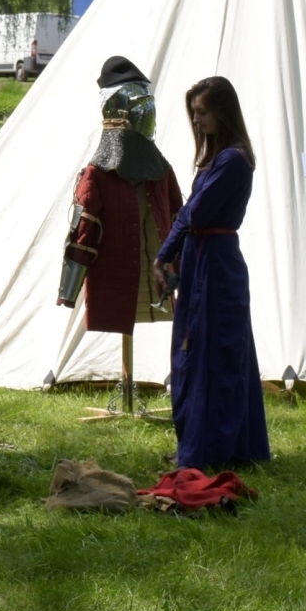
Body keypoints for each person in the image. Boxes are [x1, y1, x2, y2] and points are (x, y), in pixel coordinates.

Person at [154, 76, 269, 470]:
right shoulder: (219, 158)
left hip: (216, 264)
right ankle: (206, 444)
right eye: (194, 113)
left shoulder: (234, 159)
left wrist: (166, 250)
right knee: (196, 352)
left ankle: (211, 448)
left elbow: (196, 212)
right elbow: (192, 212)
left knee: (211, 353)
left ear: (222, 111)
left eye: (202, 112)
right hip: (201, 258)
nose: (197, 120)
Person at [60, 56, 184, 333]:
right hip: (115, 275)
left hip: (155, 275)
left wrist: (183, 274)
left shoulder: (162, 171)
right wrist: (67, 292)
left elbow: (178, 223)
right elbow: (81, 233)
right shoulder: (98, 174)